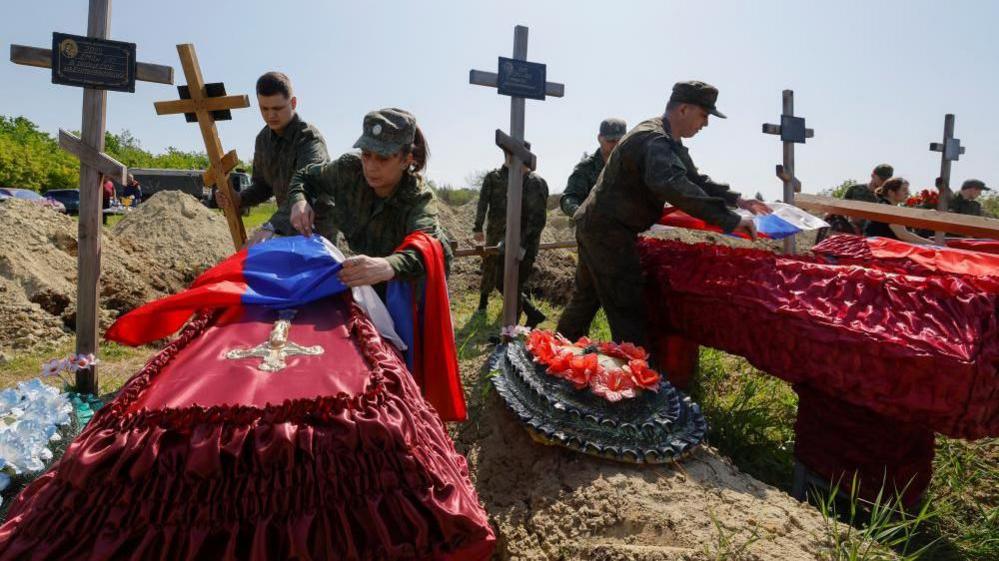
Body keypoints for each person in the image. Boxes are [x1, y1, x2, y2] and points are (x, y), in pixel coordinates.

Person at [556, 81, 764, 350]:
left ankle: (556, 355)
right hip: (609, 231)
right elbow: (671, 184)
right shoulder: (653, 139)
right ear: (684, 110)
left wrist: (738, 199)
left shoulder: (667, 141)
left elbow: (694, 178)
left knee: (586, 299)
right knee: (628, 307)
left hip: (598, 227)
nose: (706, 124)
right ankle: (636, 382)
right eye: (704, 115)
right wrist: (731, 219)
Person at [288, 108, 452, 294]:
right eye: (366, 154)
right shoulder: (349, 170)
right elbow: (305, 176)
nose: (371, 167)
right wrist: (299, 200)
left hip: (417, 281)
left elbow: (425, 250)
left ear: (406, 160)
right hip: (374, 269)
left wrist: (387, 265)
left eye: (383, 158)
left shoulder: (419, 197)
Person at [222, 71, 329, 246]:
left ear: (293, 103)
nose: (271, 115)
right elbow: (263, 185)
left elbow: (307, 185)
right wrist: (240, 198)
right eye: (264, 109)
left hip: (321, 233)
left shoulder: (308, 138)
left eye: (277, 108)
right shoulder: (263, 140)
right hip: (289, 233)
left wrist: (271, 227)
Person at [472, 142, 549, 326]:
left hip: (523, 245)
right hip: (509, 242)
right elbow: (512, 215)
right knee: (503, 281)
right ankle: (529, 316)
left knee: (511, 283)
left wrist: (521, 246)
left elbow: (536, 220)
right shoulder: (517, 180)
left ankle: (512, 329)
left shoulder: (533, 183)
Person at [559, 118, 627, 217]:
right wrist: (580, 213)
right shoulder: (585, 168)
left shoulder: (632, 164)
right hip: (592, 226)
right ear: (599, 138)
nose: (615, 144)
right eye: (610, 140)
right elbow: (569, 198)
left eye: (620, 140)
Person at [826, 163, 893, 234]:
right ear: (873, 175)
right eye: (882, 178)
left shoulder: (887, 197)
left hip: (873, 234)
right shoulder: (854, 189)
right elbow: (840, 208)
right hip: (851, 230)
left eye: (887, 180)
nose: (884, 182)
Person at [864, 177, 931, 244]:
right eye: (904, 190)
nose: (907, 193)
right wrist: (934, 244)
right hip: (877, 248)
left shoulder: (884, 205)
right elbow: (903, 235)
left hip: (877, 246)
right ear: (891, 192)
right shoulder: (888, 208)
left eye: (907, 190)